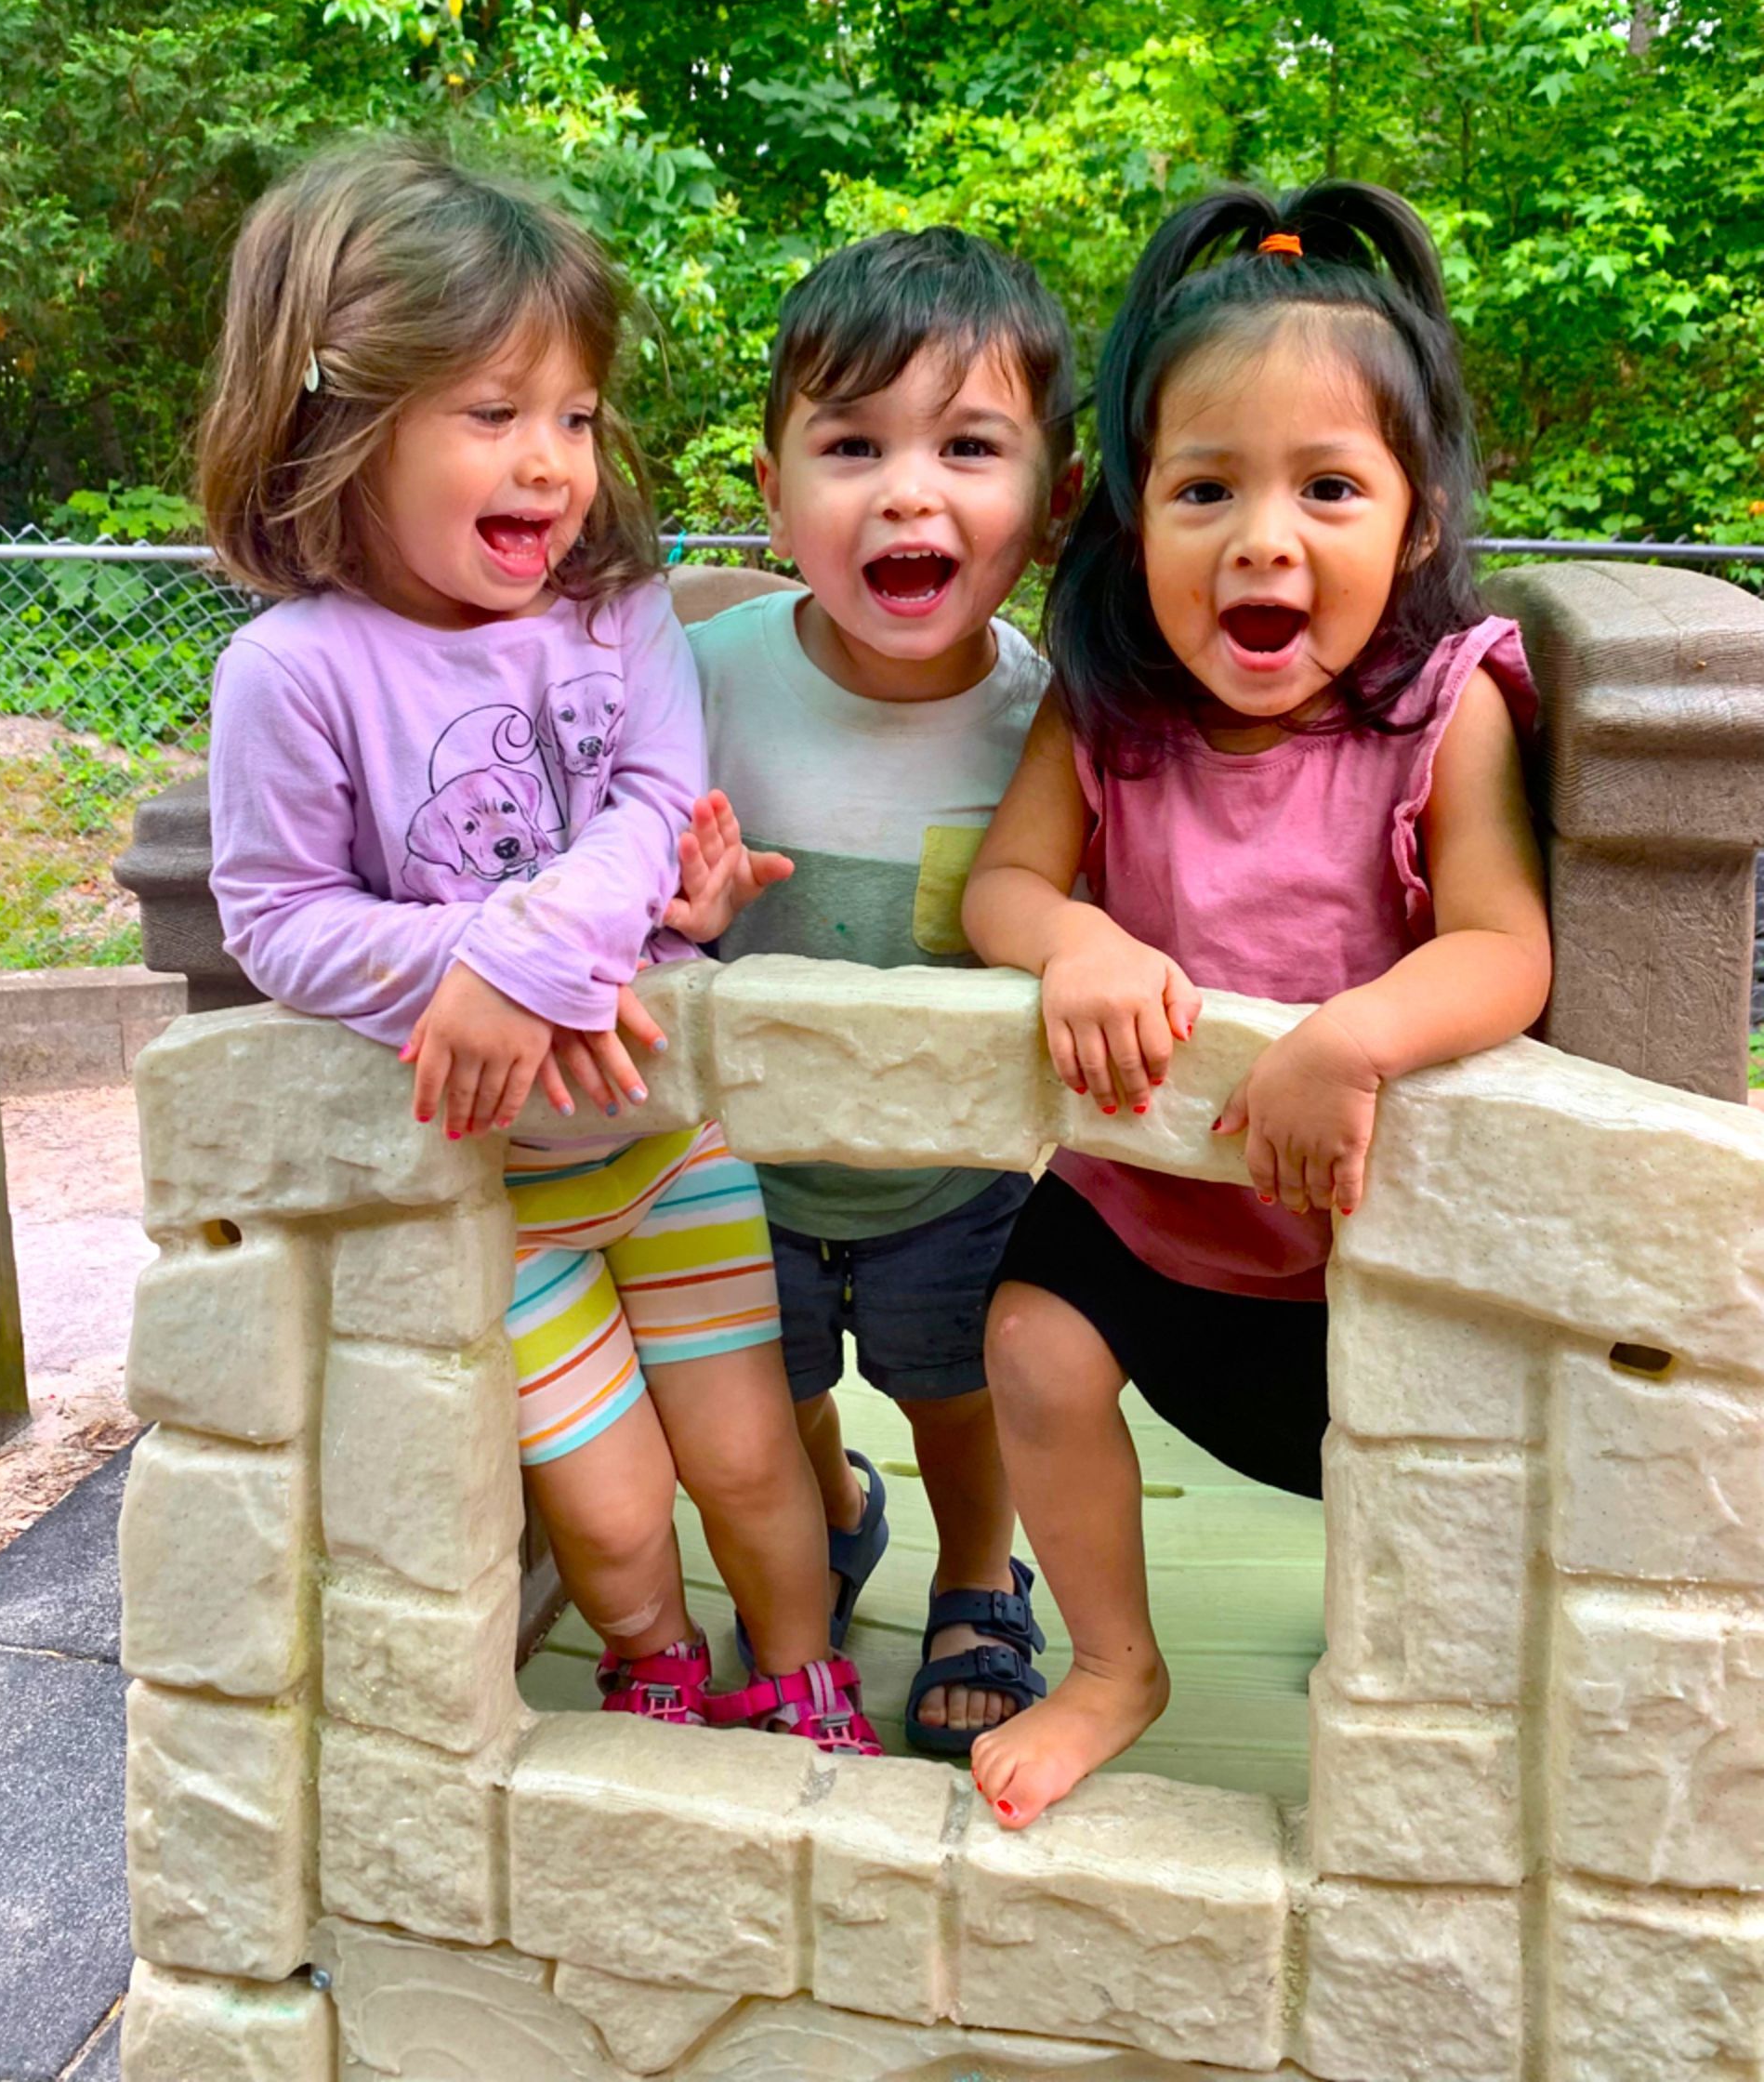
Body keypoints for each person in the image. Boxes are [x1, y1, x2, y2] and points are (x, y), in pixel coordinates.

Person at [199, 138, 878, 1754]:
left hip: (667, 1139)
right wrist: (474, 973)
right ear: (337, 419)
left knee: (747, 1459)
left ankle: (802, 1673)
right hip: (496, 1189)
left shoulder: (615, 610)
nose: (551, 463)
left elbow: (652, 802)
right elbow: (277, 916)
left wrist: (526, 963)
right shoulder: (294, 675)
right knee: (617, 1503)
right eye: (492, 415)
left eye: (572, 415)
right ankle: (652, 1658)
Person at [961, 181, 1553, 1825]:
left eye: (1330, 488)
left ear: (1419, 521)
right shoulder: (1107, 715)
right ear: (1135, 519)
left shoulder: (1445, 713)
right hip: (1148, 1209)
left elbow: (1507, 946)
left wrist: (1353, 1034)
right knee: (1030, 1345)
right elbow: (1005, 889)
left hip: (1352, 1244)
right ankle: (1110, 1663)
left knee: (1415, 1504)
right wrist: (1074, 942)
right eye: (1204, 488)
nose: (1263, 538)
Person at [675, 228, 1081, 1750]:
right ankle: (835, 1515)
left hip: (953, 1172)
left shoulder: (1048, 716)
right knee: (769, 1390)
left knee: (957, 1394)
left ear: (1043, 507)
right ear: (775, 493)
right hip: (734, 1162)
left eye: (969, 447)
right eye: (853, 445)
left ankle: (980, 1571)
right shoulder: (701, 675)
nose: (908, 490)